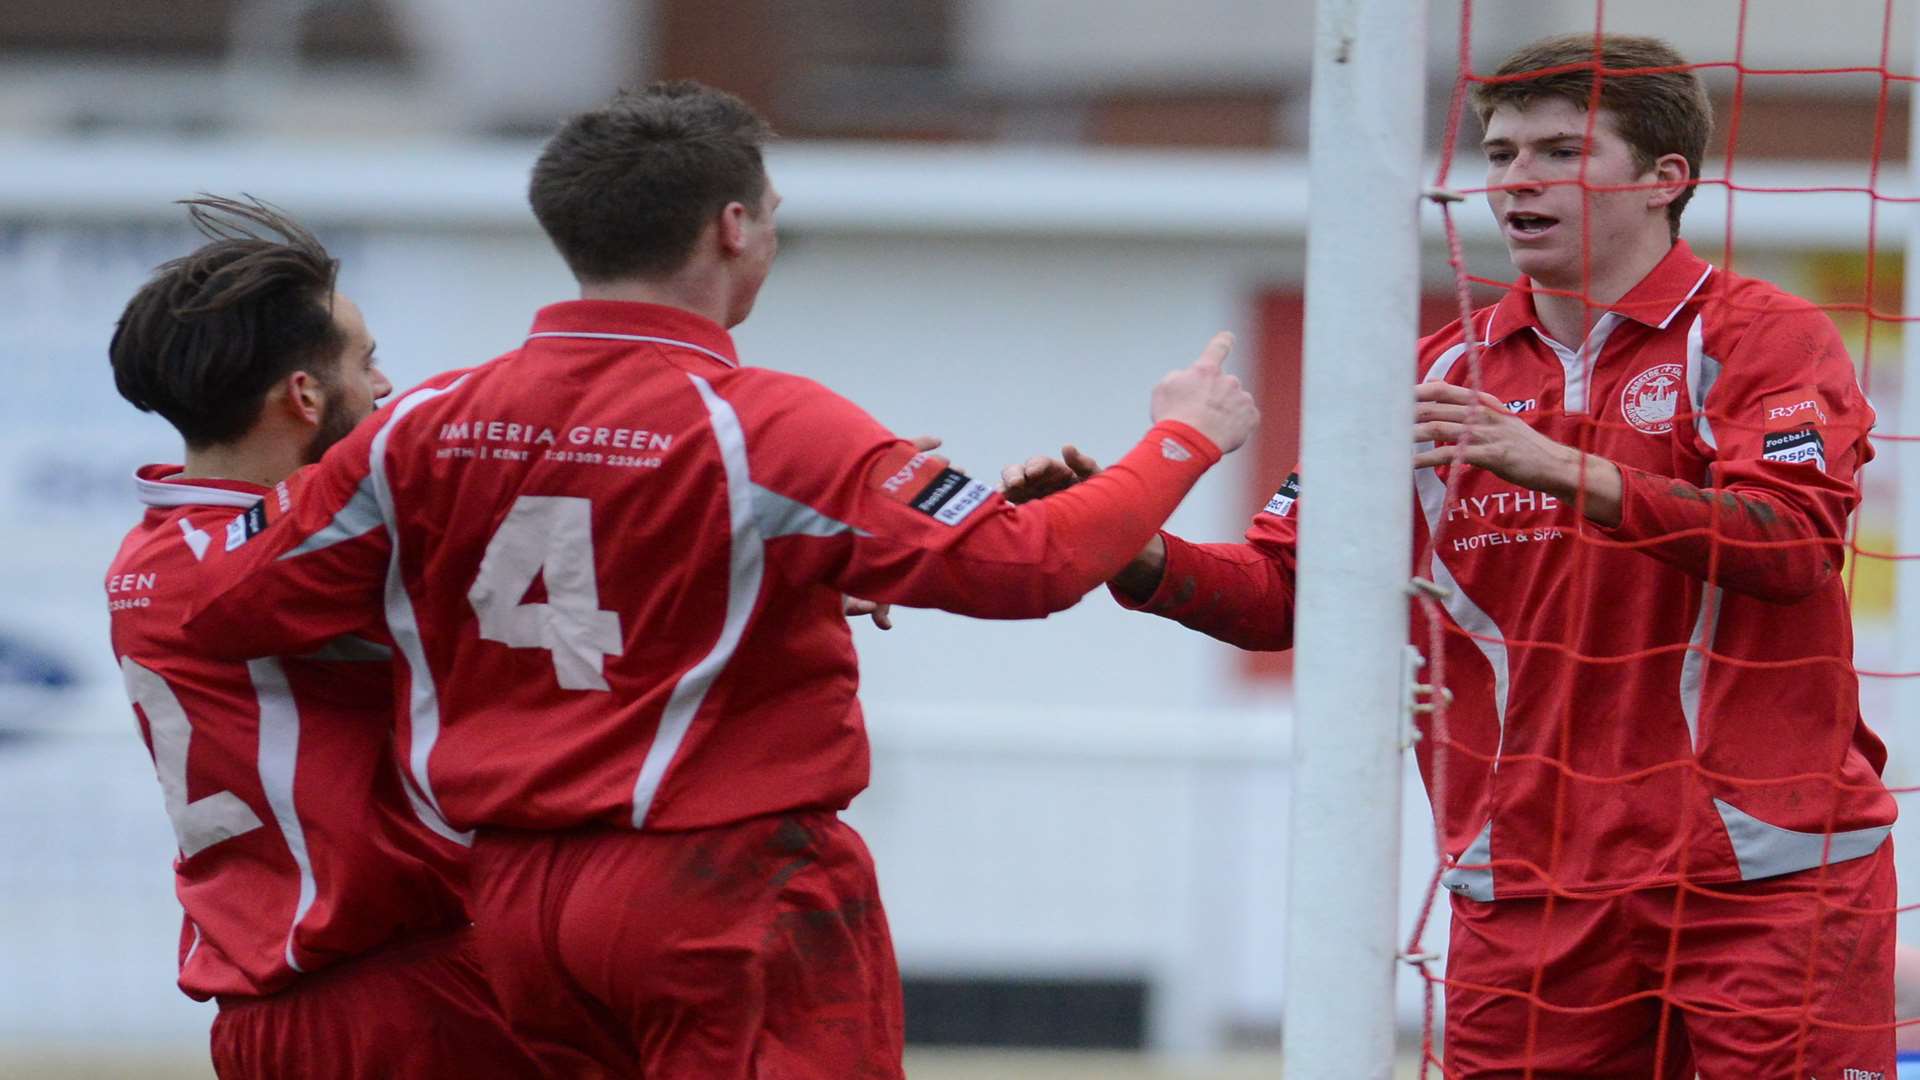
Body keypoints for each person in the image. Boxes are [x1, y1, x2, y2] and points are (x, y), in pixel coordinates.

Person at [179, 83, 1259, 1078]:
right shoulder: (774, 426)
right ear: (732, 226)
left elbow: (231, 604)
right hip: (720, 889)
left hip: (513, 903)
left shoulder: (424, 422)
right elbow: (1026, 566)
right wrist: (1179, 439)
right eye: (773, 212)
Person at [1008, 33, 1897, 1079]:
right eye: (1500, 152)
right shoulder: (1429, 376)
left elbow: (1792, 542)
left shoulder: (1762, 338)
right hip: (1528, 892)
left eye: (1559, 150)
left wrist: (1557, 464)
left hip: (1764, 881)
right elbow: (1289, 595)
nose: (1516, 179)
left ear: (1667, 181)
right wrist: (1125, 544)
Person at [105, 197, 544, 1079]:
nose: (384, 387)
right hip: (399, 996)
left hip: (282, 1008)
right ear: (302, 395)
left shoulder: (156, 547)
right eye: (366, 361)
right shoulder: (293, 552)